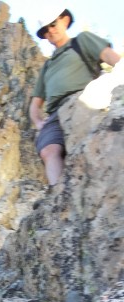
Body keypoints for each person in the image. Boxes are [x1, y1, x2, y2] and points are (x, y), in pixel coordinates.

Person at [29, 7, 120, 186]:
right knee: (48, 150)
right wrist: (39, 123)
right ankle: (59, 194)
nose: (50, 31)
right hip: (54, 114)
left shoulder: (81, 41)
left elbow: (110, 57)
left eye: (53, 24)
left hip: (81, 102)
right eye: (45, 30)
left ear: (65, 20)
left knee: (87, 146)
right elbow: (35, 103)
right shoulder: (47, 66)